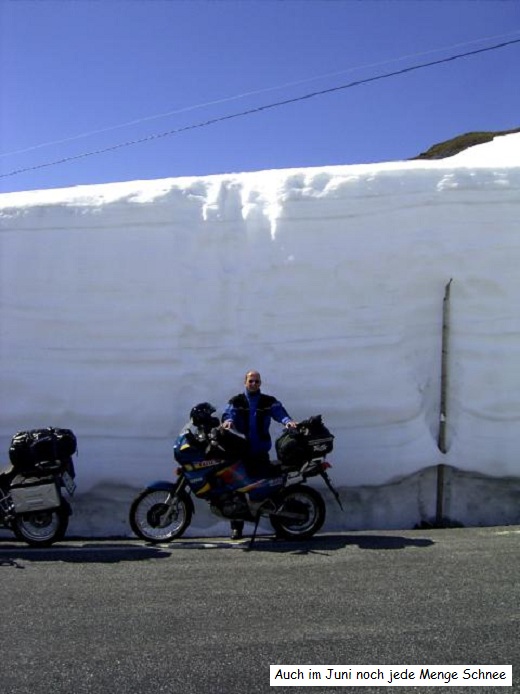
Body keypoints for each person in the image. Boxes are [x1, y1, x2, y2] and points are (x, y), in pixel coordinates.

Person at [221, 370, 297, 539]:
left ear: (260, 383)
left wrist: (288, 421)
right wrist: (227, 421)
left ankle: (280, 524)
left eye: (257, 381)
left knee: (268, 487)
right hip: (241, 452)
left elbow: (280, 413)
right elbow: (228, 413)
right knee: (236, 490)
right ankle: (237, 528)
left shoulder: (267, 401)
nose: (254, 384)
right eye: (251, 381)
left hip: (260, 452)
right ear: (245, 382)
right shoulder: (237, 401)